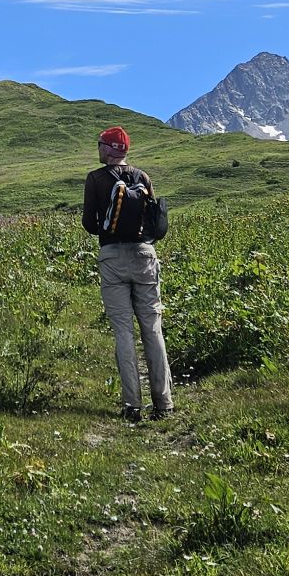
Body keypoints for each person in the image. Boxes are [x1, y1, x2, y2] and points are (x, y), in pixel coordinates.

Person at [83, 125, 173, 422]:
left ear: (109, 149)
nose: (98, 149)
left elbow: (88, 223)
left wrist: (106, 228)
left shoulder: (95, 179)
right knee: (153, 329)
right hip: (145, 255)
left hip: (113, 258)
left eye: (100, 144)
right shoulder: (143, 177)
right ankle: (164, 403)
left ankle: (132, 405)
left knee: (124, 331)